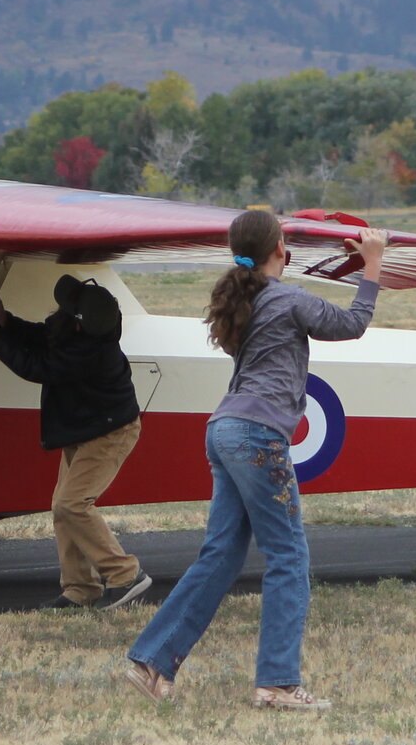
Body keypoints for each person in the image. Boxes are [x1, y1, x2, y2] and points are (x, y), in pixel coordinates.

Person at [123, 209, 386, 711]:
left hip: (224, 430)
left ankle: (152, 662)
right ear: (280, 249)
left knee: (220, 556)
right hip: (259, 437)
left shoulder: (243, 301)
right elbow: (353, 324)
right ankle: (278, 683)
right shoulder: (287, 298)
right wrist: (372, 264)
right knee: (288, 556)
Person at [0, 273, 154, 609]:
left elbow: (36, 367)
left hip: (109, 433)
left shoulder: (89, 353)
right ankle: (81, 589)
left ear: (80, 322)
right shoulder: (78, 331)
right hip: (85, 427)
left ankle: (126, 575)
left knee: (71, 503)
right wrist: (6, 321)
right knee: (63, 506)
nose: (60, 311)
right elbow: (44, 337)